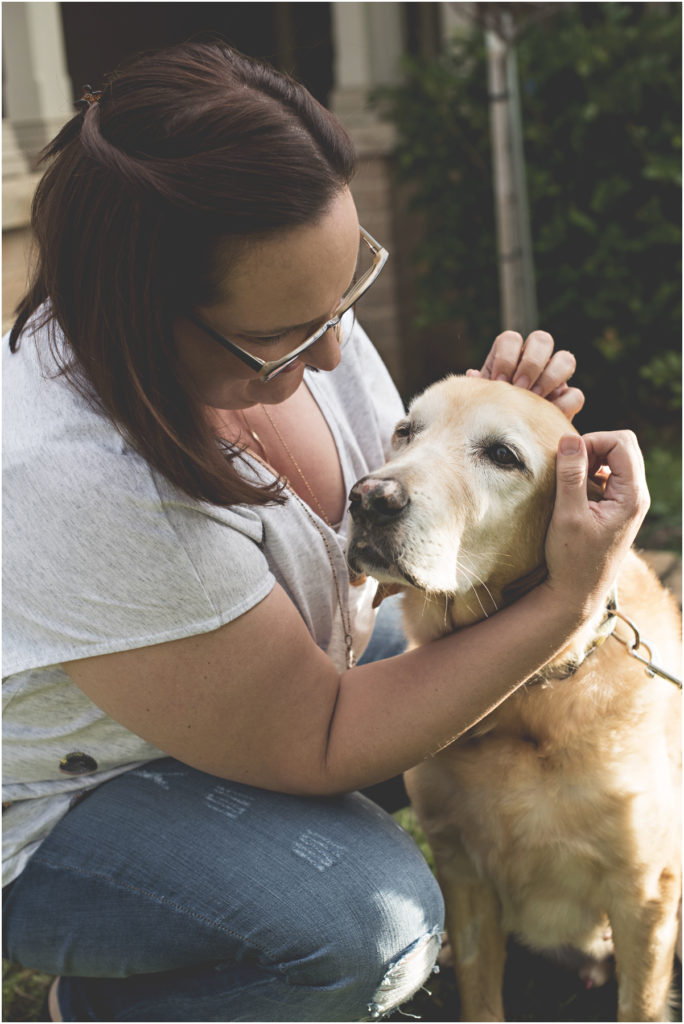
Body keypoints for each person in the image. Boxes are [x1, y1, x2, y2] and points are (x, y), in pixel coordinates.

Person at [2, 42, 649, 1024]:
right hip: (62, 808)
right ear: (144, 316)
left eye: (341, 296)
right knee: (366, 923)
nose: (339, 350)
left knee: (523, 682)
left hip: (285, 662)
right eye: (287, 336)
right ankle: (112, 1001)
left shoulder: (292, 311)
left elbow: (381, 577)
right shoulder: (68, 471)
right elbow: (324, 735)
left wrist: (484, 443)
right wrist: (568, 595)